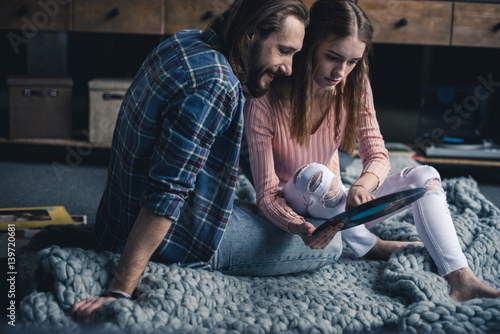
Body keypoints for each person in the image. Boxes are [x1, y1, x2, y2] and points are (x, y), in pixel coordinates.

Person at [243, 0, 500, 302]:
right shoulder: (263, 102)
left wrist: (362, 186)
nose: (341, 71)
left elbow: (377, 153)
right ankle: (369, 244)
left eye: (352, 61)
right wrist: (298, 227)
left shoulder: (353, 85)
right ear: (308, 45)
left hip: (339, 207)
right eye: (333, 57)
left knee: (425, 175)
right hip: (298, 208)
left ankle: (461, 279)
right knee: (316, 174)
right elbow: (267, 194)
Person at [71, 0, 309, 322]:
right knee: (332, 242)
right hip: (165, 245)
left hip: (113, 223)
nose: (289, 68)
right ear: (251, 33)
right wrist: (120, 288)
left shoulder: (186, 41)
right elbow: (166, 194)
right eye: (284, 50)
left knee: (263, 209)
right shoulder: (217, 84)